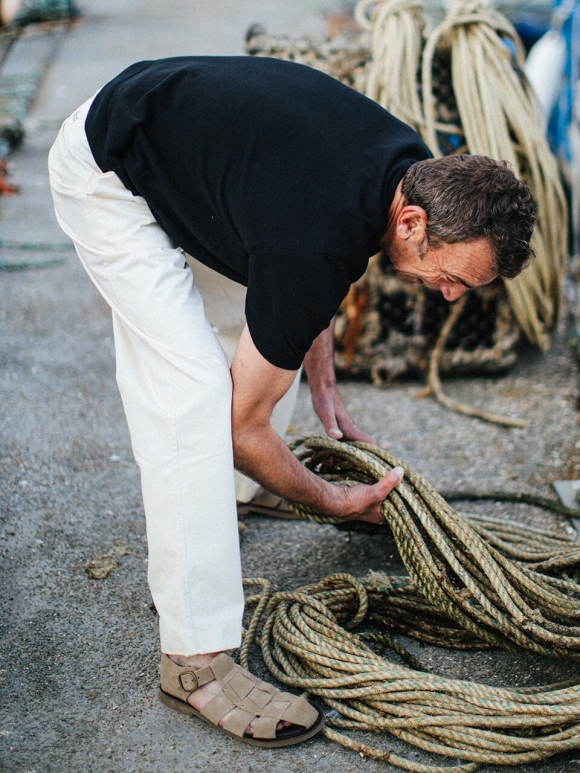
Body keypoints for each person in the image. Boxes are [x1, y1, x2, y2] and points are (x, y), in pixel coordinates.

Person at [48, 55, 536, 748]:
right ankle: (193, 662)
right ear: (415, 221)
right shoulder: (320, 233)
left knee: (250, 328)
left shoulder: (408, 169)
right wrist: (328, 500)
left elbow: (315, 277)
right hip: (108, 171)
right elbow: (248, 413)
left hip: (181, 139)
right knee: (194, 398)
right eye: (452, 276)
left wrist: (324, 379)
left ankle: (242, 491)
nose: (450, 294)